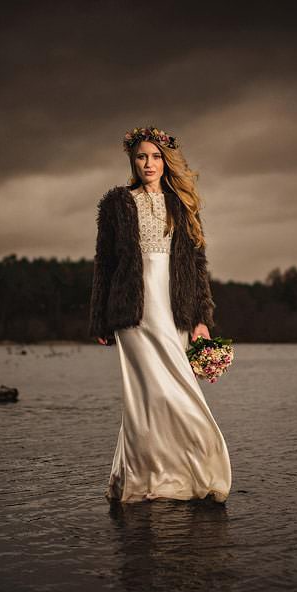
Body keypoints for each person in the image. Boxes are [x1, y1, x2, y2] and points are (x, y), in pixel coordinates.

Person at [89, 125, 232, 503]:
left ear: (166, 160)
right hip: (133, 309)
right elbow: (104, 264)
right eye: (141, 157)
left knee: (180, 392)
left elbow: (197, 266)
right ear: (132, 161)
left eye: (155, 156)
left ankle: (198, 472)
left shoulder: (183, 204)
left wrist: (202, 318)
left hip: (175, 306)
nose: (148, 163)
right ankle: (141, 481)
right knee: (144, 398)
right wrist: (100, 318)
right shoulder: (116, 204)